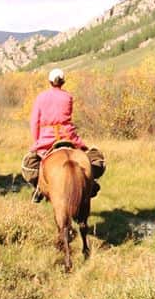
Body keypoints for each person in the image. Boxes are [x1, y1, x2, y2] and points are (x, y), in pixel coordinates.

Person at [21, 68, 105, 202]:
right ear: (63, 82)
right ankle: (91, 183)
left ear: (49, 81)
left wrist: (37, 140)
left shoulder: (41, 97)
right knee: (88, 155)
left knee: (32, 163)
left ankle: (38, 188)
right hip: (68, 135)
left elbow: (34, 121)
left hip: (47, 137)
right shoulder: (68, 96)